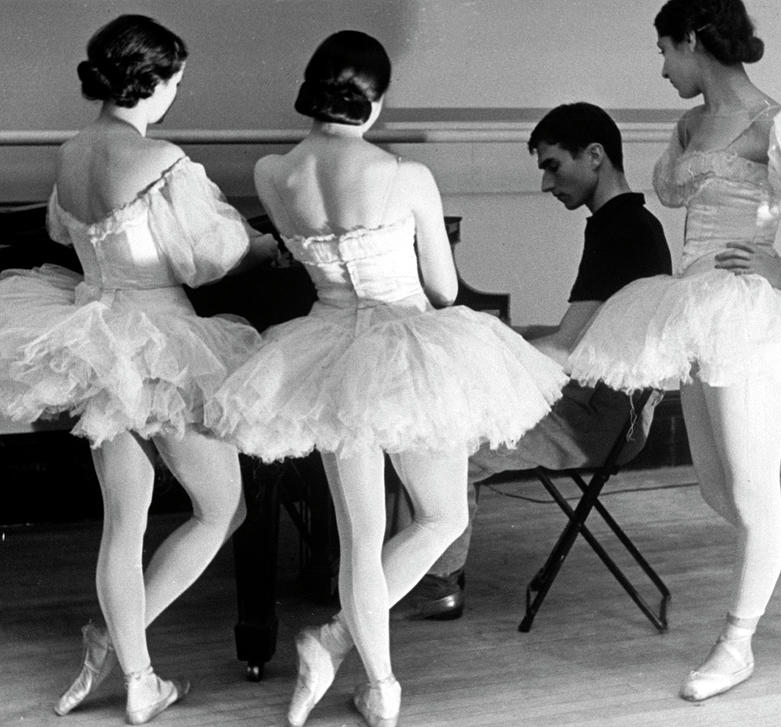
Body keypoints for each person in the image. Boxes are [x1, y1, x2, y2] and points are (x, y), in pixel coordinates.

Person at [204, 30, 566, 727]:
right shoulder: (406, 176)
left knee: (359, 534)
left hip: (327, 350)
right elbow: (442, 285)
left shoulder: (272, 172)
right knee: (442, 515)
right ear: (375, 102)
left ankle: (376, 679)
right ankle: (341, 649)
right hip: (404, 348)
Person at [568, 0, 781, 702]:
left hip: (745, 317)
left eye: (664, 50)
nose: (661, 68)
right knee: (726, 491)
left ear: (692, 40)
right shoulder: (691, 121)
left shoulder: (777, 123)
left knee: (752, 494)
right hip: (693, 311)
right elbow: (676, 194)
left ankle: (737, 643)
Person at [0, 15, 278, 725]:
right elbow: (207, 258)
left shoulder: (70, 153)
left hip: (93, 333)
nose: (175, 97)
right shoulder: (162, 159)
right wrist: (264, 249)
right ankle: (128, 655)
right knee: (224, 508)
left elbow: (65, 232)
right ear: (149, 80)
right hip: (159, 341)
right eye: (175, 83)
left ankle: (134, 666)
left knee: (124, 517)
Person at [390, 102, 673, 621]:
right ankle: (411, 568)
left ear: (594, 156)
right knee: (451, 408)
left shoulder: (621, 230)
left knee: (450, 443)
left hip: (605, 420)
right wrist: (502, 337)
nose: (546, 184)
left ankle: (436, 584)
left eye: (552, 165)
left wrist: (477, 351)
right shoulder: (625, 223)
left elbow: (567, 351)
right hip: (599, 401)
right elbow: (589, 334)